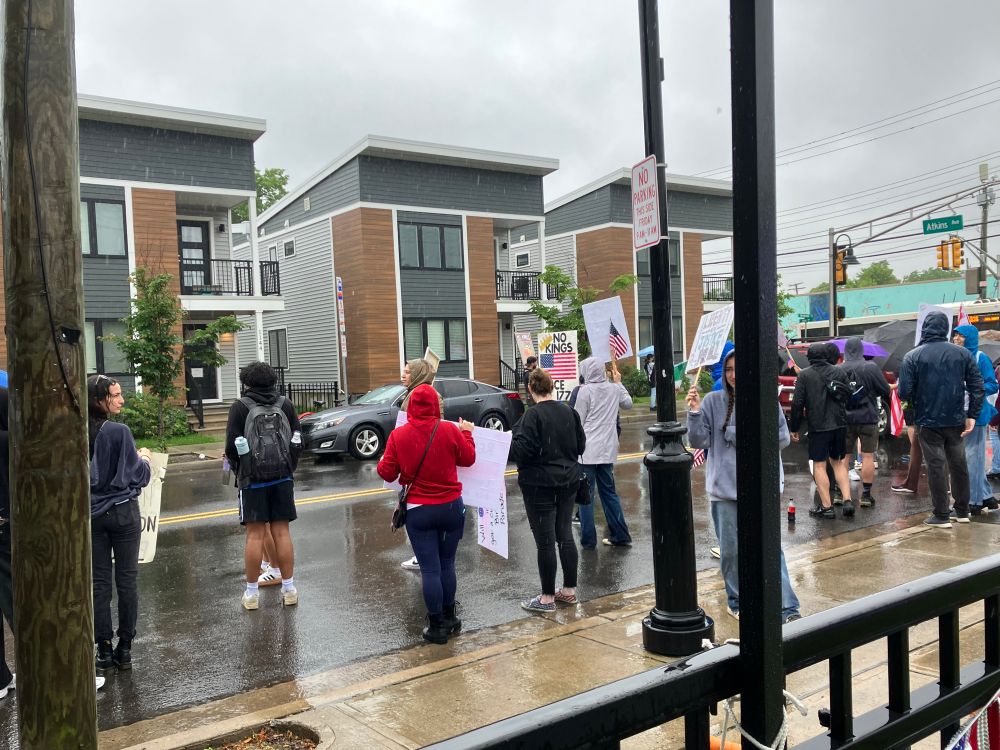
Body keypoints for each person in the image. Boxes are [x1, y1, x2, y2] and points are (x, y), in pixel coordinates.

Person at [686, 349, 801, 623]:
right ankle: (737, 600)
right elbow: (699, 441)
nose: (733, 375)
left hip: (761, 487)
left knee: (770, 549)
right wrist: (693, 412)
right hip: (724, 491)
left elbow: (782, 438)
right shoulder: (713, 401)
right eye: (728, 370)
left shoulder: (765, 400)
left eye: (738, 368)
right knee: (731, 551)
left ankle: (787, 607)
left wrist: (734, 432)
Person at [377, 384, 476, 643]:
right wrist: (467, 434)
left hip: (420, 510)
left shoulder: (399, 435)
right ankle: (450, 616)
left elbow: (387, 473)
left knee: (430, 569)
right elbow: (468, 459)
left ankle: (436, 626)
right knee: (447, 564)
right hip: (452, 507)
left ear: (410, 407)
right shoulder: (449, 430)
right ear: (435, 406)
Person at [225, 361, 302, 610]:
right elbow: (297, 439)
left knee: (255, 535)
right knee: (282, 532)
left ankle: (251, 594)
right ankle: (289, 589)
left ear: (246, 383)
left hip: (253, 481)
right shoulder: (285, 404)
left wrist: (241, 471)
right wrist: (289, 466)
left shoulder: (240, 407)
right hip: (282, 477)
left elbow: (230, 448)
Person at [89, 374, 152, 673]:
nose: (121, 399)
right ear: (98, 400)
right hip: (124, 512)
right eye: (114, 395)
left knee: (99, 584)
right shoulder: (119, 431)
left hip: (92, 515)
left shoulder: (75, 431)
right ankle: (124, 649)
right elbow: (138, 475)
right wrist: (146, 458)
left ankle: (102, 651)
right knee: (127, 581)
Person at [510, 368, 586, 612]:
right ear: (552, 386)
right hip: (569, 482)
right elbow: (581, 445)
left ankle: (546, 598)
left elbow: (522, 452)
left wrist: (508, 442)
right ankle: (569, 591)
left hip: (539, 486)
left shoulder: (532, 417)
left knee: (545, 542)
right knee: (564, 535)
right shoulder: (569, 412)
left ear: (530, 390)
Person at [898, 312, 984, 527]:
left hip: (927, 419)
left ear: (925, 328)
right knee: (958, 463)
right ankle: (962, 510)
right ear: (945, 328)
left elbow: (904, 392)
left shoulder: (912, 356)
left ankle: (941, 514)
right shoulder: (962, 354)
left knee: (936, 465)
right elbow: (977, 387)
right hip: (955, 417)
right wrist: (972, 414)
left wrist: (913, 406)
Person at [788, 343, 854, 519]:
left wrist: (794, 427)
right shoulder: (839, 371)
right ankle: (847, 501)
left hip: (818, 426)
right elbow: (848, 395)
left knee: (819, 465)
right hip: (839, 424)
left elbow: (797, 403)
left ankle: (827, 507)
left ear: (809, 358)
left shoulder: (805, 375)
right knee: (838, 462)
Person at [575, 357, 633, 548]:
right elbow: (628, 404)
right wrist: (618, 382)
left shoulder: (585, 392)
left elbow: (578, 421)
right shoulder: (614, 389)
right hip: (607, 450)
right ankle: (620, 534)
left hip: (587, 452)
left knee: (586, 497)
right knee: (609, 493)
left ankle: (588, 540)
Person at [399, 358, 444, 572]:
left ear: (417, 374)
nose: (403, 374)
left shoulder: (423, 395)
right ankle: (426, 554)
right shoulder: (416, 393)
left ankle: (422, 556)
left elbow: (432, 426)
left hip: (419, 462)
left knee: (417, 510)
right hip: (425, 459)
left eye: (408, 372)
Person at [952, 324, 1000, 514]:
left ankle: (974, 502)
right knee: (971, 458)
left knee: (972, 459)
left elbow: (993, 385)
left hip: (977, 414)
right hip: (960, 413)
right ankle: (987, 497)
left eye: (960, 336)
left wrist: (971, 387)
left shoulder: (981, 358)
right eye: (955, 335)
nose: (956, 339)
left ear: (970, 338)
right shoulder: (956, 357)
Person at [840, 337, 891, 507]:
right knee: (868, 455)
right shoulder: (870, 367)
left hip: (845, 419)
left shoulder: (840, 369)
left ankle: (841, 494)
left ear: (845, 351)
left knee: (844, 457)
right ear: (861, 350)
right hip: (868, 417)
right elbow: (885, 390)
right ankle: (866, 495)